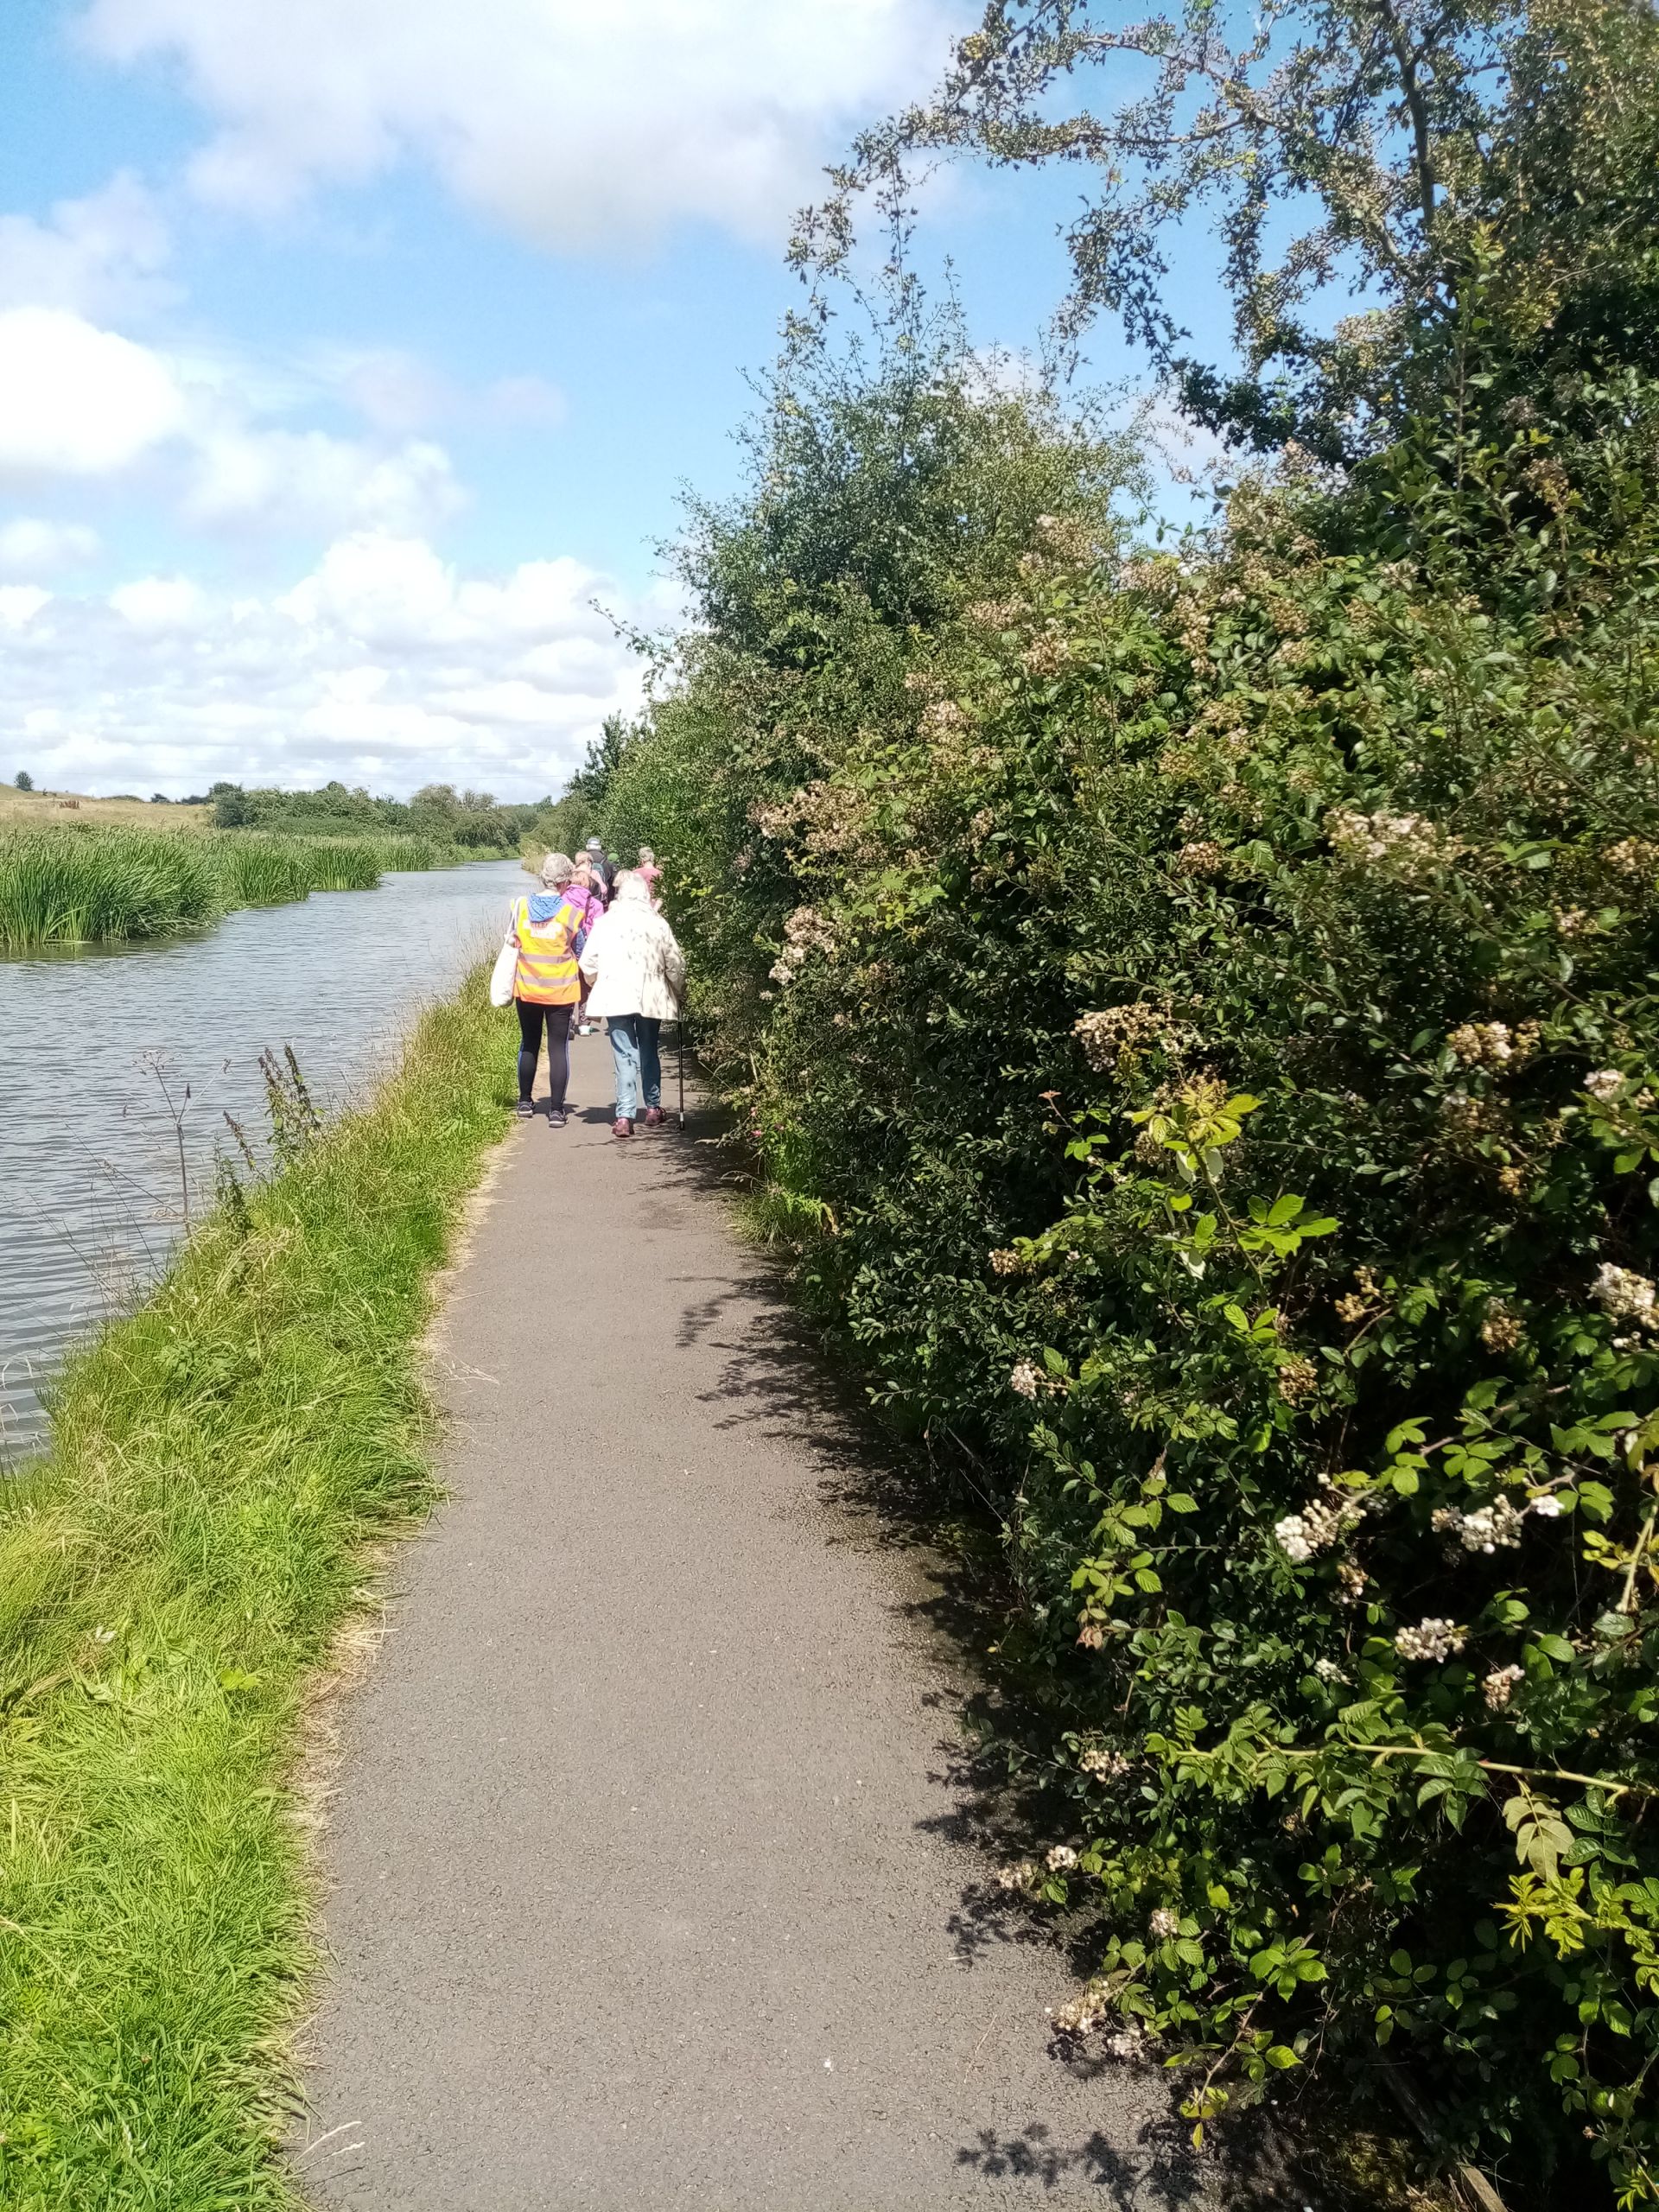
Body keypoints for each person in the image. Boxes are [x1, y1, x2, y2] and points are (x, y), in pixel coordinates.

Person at [577, 869, 685, 1139]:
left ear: (621, 894)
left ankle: (624, 1117)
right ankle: (652, 1108)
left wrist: (596, 983)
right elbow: (675, 962)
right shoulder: (657, 922)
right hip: (651, 995)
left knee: (624, 1053)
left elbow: (587, 962)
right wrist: (679, 989)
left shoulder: (606, 922)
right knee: (649, 1048)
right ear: (646, 895)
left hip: (616, 994)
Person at [507, 854, 584, 1127]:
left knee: (529, 1042)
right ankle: (556, 1110)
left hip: (527, 988)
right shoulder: (571, 913)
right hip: (560, 991)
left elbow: (513, 941)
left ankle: (525, 1102)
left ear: (543, 877)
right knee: (557, 1048)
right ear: (564, 882)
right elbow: (579, 950)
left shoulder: (520, 907)